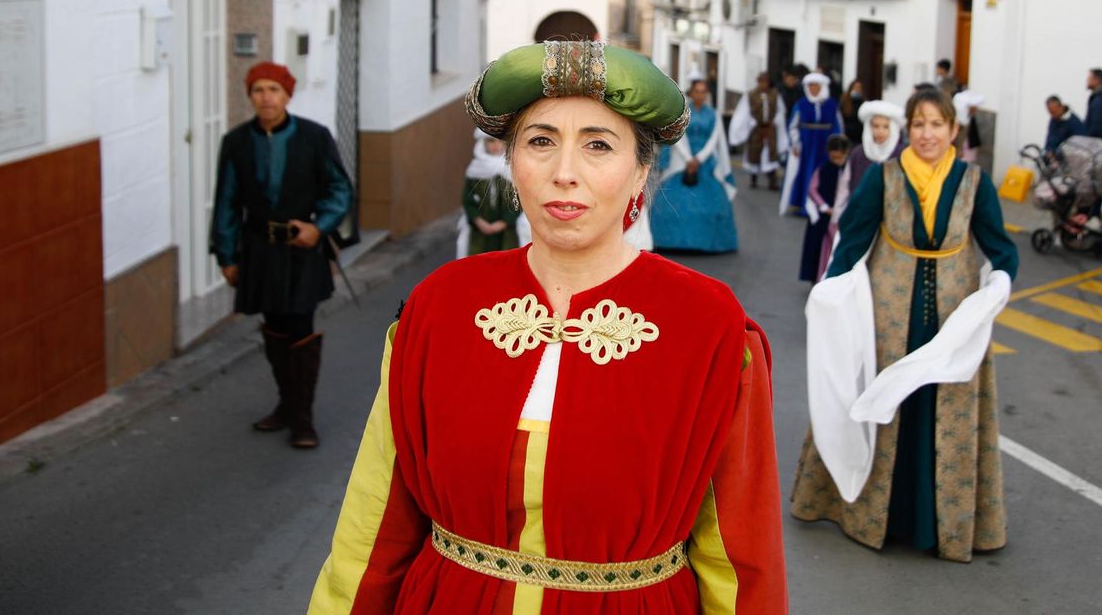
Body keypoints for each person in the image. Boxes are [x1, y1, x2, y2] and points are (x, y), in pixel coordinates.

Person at [309, 41, 787, 612]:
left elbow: (740, 551)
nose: (565, 173)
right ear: (512, 164)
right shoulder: (438, 308)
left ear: (640, 173)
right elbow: (375, 518)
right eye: (540, 142)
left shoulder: (711, 329)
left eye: (598, 146)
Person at [791, 85, 1018, 562]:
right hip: (889, 316)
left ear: (953, 129)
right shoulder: (885, 177)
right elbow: (851, 239)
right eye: (919, 124)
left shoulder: (974, 181)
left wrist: (1000, 280)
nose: (927, 134)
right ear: (907, 129)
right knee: (883, 404)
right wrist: (829, 290)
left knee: (945, 410)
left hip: (954, 319)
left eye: (937, 124)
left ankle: (942, 525)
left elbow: (1001, 246)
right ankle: (872, 514)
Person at [211, 62, 355, 450]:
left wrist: (318, 226)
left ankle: (303, 417)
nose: (266, 97)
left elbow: (339, 189)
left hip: (301, 247)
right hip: (258, 248)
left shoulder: (313, 137)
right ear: (250, 96)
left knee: (300, 325)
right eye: (258, 90)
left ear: (287, 95)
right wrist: (226, 255)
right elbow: (226, 200)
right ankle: (286, 404)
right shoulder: (237, 142)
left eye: (273, 89)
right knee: (274, 326)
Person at [650, 77, 739, 253]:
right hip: (683, 159)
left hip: (705, 161)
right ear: (691, 93)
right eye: (697, 91)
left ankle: (708, 242)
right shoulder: (682, 111)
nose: (700, 95)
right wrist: (688, 158)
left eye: (703, 92)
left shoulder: (713, 114)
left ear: (707, 94)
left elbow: (715, 138)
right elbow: (678, 135)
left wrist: (699, 159)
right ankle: (670, 240)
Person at [820, 100, 908, 279]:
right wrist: (837, 216)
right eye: (875, 126)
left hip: (891, 222)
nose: (880, 131)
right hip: (860, 220)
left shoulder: (903, 155)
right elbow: (844, 186)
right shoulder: (859, 153)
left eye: (885, 126)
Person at [456, 130, 525, 257]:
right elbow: (468, 199)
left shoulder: (514, 168)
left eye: (500, 141)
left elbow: (520, 200)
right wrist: (478, 221)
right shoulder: (475, 169)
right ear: (483, 144)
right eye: (491, 141)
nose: (496, 145)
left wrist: (504, 222)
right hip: (481, 231)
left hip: (508, 231)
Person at [780, 72, 841, 217]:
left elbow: (837, 126)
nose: (813, 89)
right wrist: (795, 144)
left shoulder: (831, 105)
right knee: (806, 173)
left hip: (825, 145)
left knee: (825, 174)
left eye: (816, 85)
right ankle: (804, 205)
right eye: (810, 86)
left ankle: (823, 204)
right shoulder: (801, 104)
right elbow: (793, 126)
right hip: (807, 147)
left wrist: (836, 145)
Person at [801, 135, 851, 282]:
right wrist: (823, 206)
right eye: (834, 157)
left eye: (840, 157)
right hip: (825, 216)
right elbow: (812, 189)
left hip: (842, 215)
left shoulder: (850, 170)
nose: (837, 161)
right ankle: (818, 276)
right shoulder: (823, 169)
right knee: (820, 247)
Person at [729, 71, 788, 188]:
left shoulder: (775, 94)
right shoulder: (750, 95)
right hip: (756, 129)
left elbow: (781, 111)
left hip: (770, 129)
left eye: (765, 82)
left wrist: (775, 121)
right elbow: (743, 112)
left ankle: (772, 180)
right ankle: (754, 178)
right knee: (754, 152)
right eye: (761, 82)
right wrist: (752, 122)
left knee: (770, 153)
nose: (763, 84)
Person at [840, 79, 867, 144]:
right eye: (855, 87)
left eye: (859, 87)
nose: (857, 89)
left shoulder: (864, 103)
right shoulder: (845, 102)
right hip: (848, 136)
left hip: (860, 136)